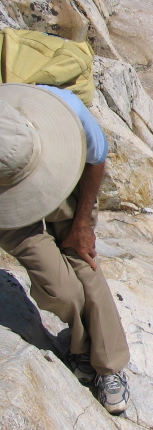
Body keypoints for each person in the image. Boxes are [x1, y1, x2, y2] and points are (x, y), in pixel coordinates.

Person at [0, 83, 131, 414]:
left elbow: (96, 158)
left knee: (83, 264)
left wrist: (82, 224)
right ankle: (82, 346)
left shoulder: (67, 111)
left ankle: (109, 365)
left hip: (61, 172)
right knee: (59, 288)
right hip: (5, 195)